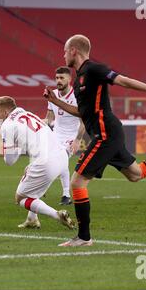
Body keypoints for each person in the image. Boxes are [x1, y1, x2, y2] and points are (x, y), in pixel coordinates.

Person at [44, 34, 146, 247]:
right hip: (108, 133)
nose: (62, 55)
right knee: (136, 174)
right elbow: (82, 112)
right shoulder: (79, 79)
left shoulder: (93, 69)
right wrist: (55, 101)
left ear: (74, 50)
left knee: (77, 182)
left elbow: (124, 81)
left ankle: (84, 237)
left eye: (64, 51)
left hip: (106, 133)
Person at [0, 96, 76, 231]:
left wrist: (16, 145)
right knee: (33, 189)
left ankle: (57, 215)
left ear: (6, 113)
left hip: (46, 162)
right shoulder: (23, 112)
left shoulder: (7, 126)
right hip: (62, 157)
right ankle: (32, 220)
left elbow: (10, 161)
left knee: (21, 198)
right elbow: (8, 121)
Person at [44, 66, 85, 206]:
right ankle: (47, 187)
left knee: (61, 160)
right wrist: (44, 123)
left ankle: (66, 195)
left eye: (62, 78)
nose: (58, 81)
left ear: (69, 79)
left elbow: (83, 121)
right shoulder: (52, 95)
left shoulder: (77, 96)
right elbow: (49, 116)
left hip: (71, 135)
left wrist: (78, 140)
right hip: (56, 134)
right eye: (57, 78)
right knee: (45, 160)